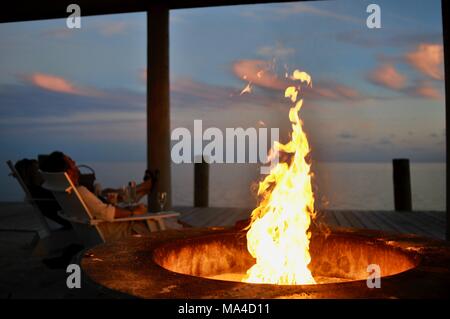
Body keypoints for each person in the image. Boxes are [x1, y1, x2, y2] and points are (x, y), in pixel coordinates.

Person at [41, 151, 157, 241]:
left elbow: (100, 211)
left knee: (114, 195)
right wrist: (134, 213)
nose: (75, 162)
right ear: (69, 172)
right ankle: (144, 188)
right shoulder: (80, 192)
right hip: (116, 232)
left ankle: (143, 188)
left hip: (97, 231)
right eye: (71, 161)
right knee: (160, 221)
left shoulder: (68, 194)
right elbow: (107, 213)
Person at [14, 158, 72, 229]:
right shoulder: (40, 192)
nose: (41, 173)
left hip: (68, 217)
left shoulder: (37, 191)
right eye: (38, 170)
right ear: (31, 174)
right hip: (70, 220)